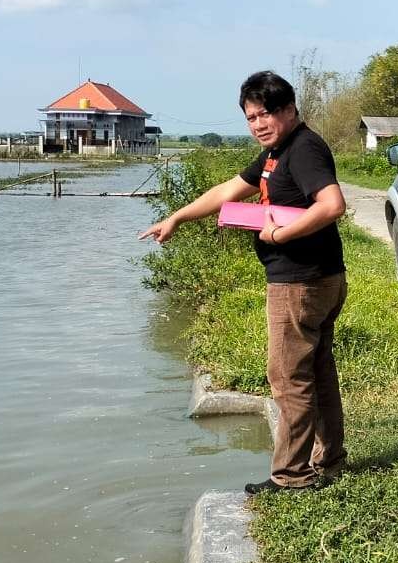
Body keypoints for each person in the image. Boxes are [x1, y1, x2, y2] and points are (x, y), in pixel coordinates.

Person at [139, 71, 348, 495]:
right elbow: (228, 190)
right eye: (251, 117)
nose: (258, 125)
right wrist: (177, 217)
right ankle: (329, 458)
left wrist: (280, 234)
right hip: (317, 278)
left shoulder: (303, 148)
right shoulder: (276, 151)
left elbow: (333, 204)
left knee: (288, 377)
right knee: (316, 371)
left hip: (301, 282)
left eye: (266, 114)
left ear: (289, 110)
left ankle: (292, 477)